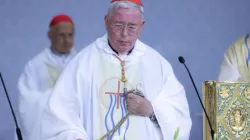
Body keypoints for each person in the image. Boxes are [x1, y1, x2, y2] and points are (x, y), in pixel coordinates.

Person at [40, 1, 192, 140]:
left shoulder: (157, 64)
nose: (124, 34)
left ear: (141, 26)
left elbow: (179, 116)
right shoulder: (83, 63)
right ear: (106, 22)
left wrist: (152, 110)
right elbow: (58, 118)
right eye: (118, 25)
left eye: (132, 27)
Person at [17, 14, 76, 140]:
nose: (67, 40)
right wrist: (55, 97)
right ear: (50, 36)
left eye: (70, 35)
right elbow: (26, 102)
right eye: (61, 35)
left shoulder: (81, 63)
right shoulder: (35, 66)